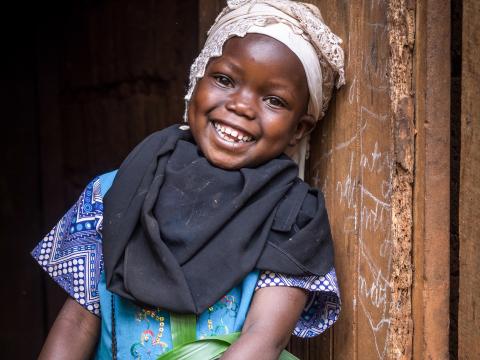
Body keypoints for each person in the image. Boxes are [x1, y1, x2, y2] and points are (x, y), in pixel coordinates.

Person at [32, 0, 345, 359]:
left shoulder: (293, 217)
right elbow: (77, 323)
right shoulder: (113, 192)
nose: (242, 106)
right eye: (225, 80)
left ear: (298, 129)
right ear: (197, 79)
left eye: (274, 100)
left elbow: (265, 338)